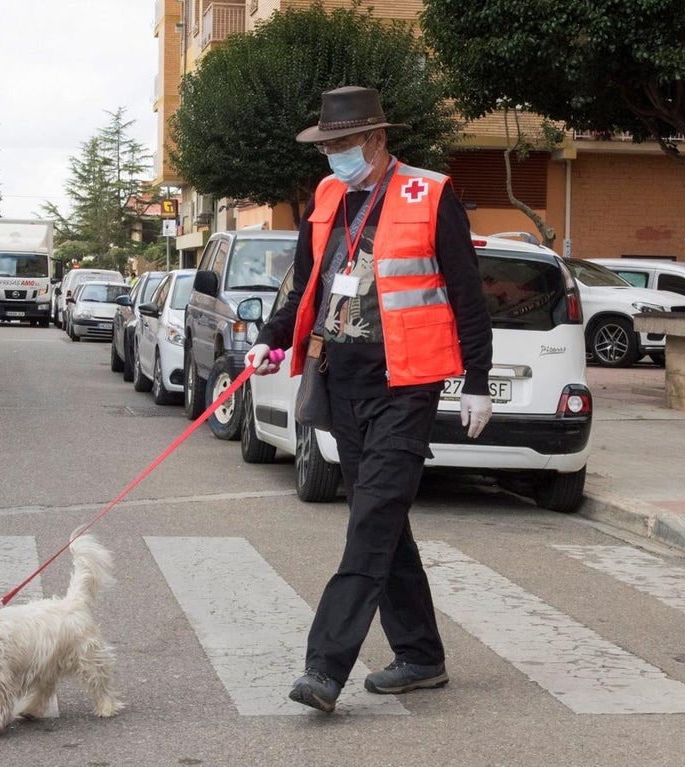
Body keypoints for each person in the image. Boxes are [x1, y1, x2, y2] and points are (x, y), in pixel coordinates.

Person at [245, 86, 494, 713]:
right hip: (341, 381)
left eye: (343, 144)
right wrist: (272, 338)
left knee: (368, 524)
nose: (334, 156)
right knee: (383, 522)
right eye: (327, 145)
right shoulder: (327, 197)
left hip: (406, 385)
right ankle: (421, 655)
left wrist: (480, 381)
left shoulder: (430, 194)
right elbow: (304, 283)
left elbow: (468, 294)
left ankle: (325, 668)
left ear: (377, 140)